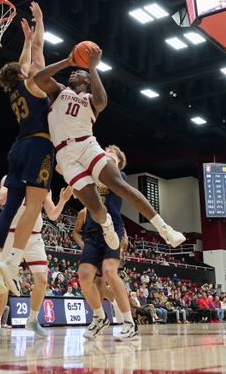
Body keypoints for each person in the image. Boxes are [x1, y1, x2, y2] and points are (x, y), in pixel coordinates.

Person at [0, 3, 98, 296]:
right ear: (21, 74)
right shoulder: (34, 85)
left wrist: (26, 38)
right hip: (39, 144)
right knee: (34, 205)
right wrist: (40, 23)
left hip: (17, 147)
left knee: (11, 207)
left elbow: (29, 54)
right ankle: (12, 262)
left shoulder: (14, 92)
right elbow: (38, 50)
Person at [33, 46, 184, 250]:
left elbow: (102, 100)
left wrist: (93, 68)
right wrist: (68, 61)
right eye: (72, 72)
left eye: (79, 72)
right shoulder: (58, 91)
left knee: (119, 185)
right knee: (95, 206)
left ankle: (164, 228)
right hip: (64, 154)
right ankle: (106, 225)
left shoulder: (91, 100)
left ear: (87, 81)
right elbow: (38, 78)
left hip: (86, 144)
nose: (73, 73)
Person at [0, 178, 72, 341]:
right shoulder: (11, 176)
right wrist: (26, 187)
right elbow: (2, 198)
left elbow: (53, 215)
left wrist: (63, 200)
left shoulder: (44, 182)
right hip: (11, 235)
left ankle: (32, 320)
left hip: (33, 237)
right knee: (1, 282)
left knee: (42, 280)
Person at [72, 145, 137, 340]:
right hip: (92, 233)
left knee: (109, 272)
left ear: (118, 163)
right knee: (84, 276)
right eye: (104, 155)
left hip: (112, 229)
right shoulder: (91, 176)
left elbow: (102, 183)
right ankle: (99, 317)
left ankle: (129, 322)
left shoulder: (120, 176)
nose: (106, 159)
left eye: (111, 158)